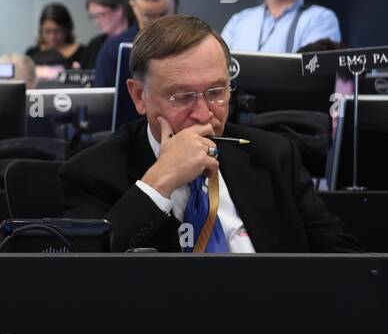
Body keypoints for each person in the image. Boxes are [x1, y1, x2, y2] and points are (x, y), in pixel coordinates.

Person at [59, 15, 359, 253]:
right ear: (139, 97)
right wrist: (159, 181)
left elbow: (346, 261)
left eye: (216, 92)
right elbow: (82, 279)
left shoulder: (273, 155)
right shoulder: (92, 173)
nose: (204, 114)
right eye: (183, 96)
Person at [86, 0, 139, 88]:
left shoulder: (138, 38)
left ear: (119, 10)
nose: (97, 21)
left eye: (101, 15)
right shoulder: (94, 45)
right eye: (93, 17)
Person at [25, 3, 84, 75]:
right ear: (41, 30)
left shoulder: (83, 53)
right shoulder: (31, 53)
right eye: (47, 31)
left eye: (57, 31)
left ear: (67, 29)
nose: (52, 37)